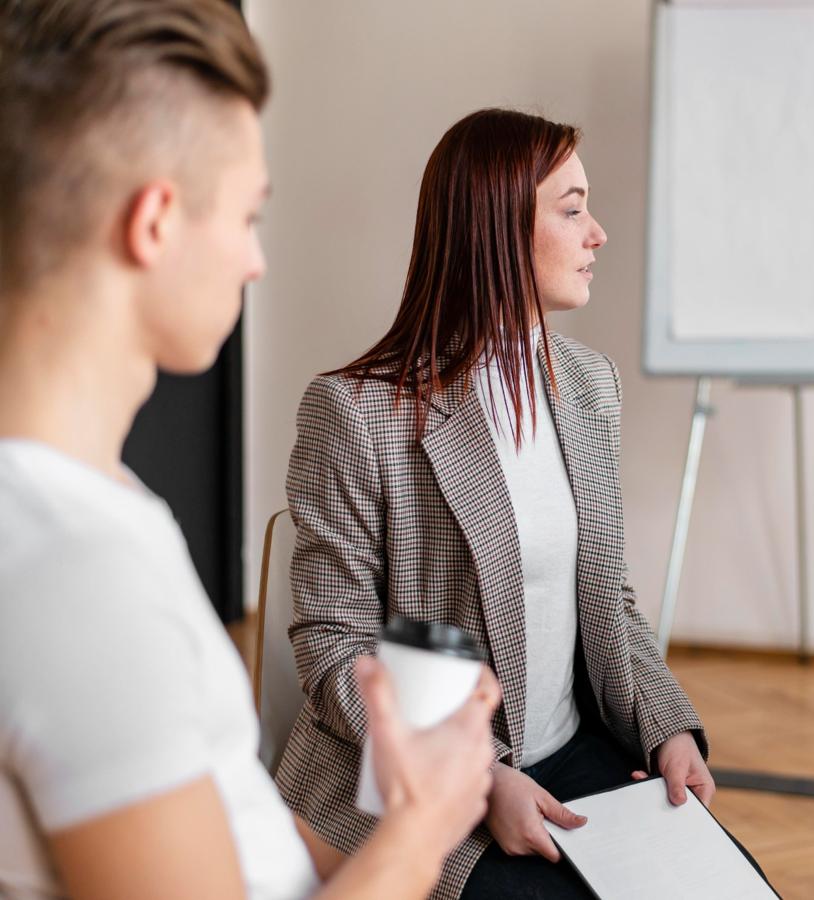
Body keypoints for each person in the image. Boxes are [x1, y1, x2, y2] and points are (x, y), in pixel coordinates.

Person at [0, 2, 498, 898]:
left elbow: (230, 816)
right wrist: (425, 826)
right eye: (247, 215)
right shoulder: (76, 569)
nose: (255, 260)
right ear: (153, 223)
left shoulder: (89, 500)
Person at [275, 108, 759, 899]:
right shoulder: (356, 412)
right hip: (425, 785)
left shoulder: (590, 386)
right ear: (497, 231)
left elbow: (610, 598)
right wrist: (485, 780)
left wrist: (667, 725)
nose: (598, 232)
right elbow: (335, 645)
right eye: (572, 210)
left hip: (573, 753)